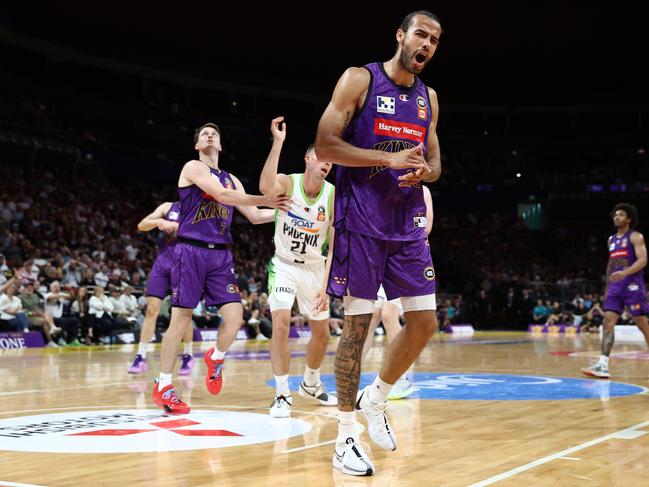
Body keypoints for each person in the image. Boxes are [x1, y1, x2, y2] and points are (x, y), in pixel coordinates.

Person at [314, 10, 443, 476]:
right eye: (420, 35)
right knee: (358, 327)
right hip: (362, 222)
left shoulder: (429, 99)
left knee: (425, 322)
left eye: (434, 40)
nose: (426, 45)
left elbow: (435, 160)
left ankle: (378, 396)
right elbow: (325, 145)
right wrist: (383, 161)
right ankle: (345, 436)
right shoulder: (359, 80)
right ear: (400, 36)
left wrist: (427, 171)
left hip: (405, 223)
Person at [151, 121, 290, 414]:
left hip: (220, 255)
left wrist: (286, 212)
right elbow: (224, 197)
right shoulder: (193, 168)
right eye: (204, 134)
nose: (210, 135)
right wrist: (268, 199)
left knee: (235, 317)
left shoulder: (233, 179)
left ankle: (216, 356)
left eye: (214, 133)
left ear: (221, 145)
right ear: (198, 146)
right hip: (190, 250)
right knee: (181, 319)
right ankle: (163, 385)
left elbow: (253, 216)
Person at [258, 117, 337, 418]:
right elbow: (265, 187)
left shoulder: (332, 195)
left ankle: (311, 382)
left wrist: (326, 287)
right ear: (308, 158)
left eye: (332, 159)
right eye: (321, 156)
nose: (327, 162)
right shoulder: (288, 183)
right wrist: (277, 143)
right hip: (285, 265)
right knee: (280, 323)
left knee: (322, 334)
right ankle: (281, 394)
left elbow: (335, 246)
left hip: (316, 269)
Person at [361, 185, 434, 400]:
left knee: (389, 314)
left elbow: (426, 227)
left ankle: (402, 378)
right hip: (379, 258)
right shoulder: (382, 185)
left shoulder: (423, 191)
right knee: (370, 317)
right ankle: (351, 376)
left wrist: (396, 232)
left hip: (406, 258)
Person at [582, 203, 649, 379]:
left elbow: (643, 260)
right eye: (615, 215)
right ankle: (603, 365)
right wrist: (607, 288)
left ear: (629, 219)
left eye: (620, 215)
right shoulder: (611, 240)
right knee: (607, 323)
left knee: (642, 323)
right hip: (615, 288)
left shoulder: (635, 237)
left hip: (632, 286)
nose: (616, 218)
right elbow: (610, 265)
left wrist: (625, 273)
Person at [128, 201, 195, 375]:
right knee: (151, 310)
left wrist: (175, 225)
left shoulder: (202, 210)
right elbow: (142, 225)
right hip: (163, 263)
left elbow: (202, 235)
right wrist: (159, 222)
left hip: (185, 266)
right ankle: (140, 356)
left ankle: (188, 354)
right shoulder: (167, 207)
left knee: (182, 314)